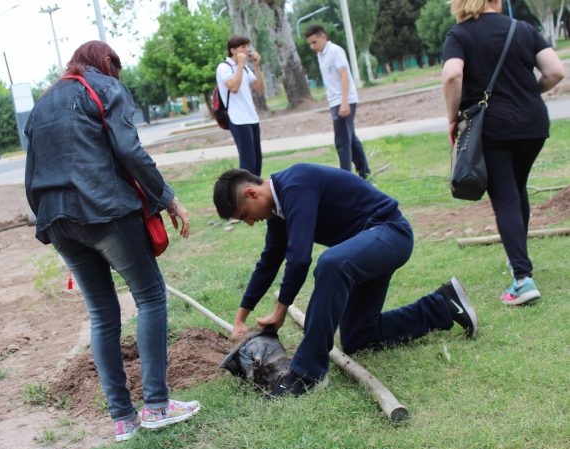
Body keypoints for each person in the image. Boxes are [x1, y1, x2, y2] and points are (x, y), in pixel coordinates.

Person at [24, 41, 200, 442]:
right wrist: (168, 197)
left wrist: (47, 222)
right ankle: (156, 406)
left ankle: (123, 420)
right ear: (107, 64)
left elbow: (32, 169)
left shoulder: (43, 103)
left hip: (57, 220)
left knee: (103, 314)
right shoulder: (104, 87)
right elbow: (129, 150)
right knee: (151, 296)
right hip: (105, 211)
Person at [213, 164, 478, 397]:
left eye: (245, 215)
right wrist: (240, 318)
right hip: (364, 248)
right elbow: (269, 262)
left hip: (389, 233)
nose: (250, 222)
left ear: (252, 194)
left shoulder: (296, 184)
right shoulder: (279, 212)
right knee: (357, 337)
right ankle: (442, 305)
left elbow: (300, 258)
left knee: (331, 264)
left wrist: (279, 312)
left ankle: (307, 374)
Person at [442, 0, 565, 305]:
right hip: (533, 124)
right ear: (496, 1)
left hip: (493, 128)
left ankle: (523, 280)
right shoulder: (521, 28)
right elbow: (556, 71)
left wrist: (452, 118)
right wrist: (526, 92)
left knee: (505, 195)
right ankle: (517, 259)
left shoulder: (459, 35)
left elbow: (452, 75)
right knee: (516, 188)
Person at [305, 25, 370, 179]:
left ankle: (345, 179)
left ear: (323, 37)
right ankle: (364, 172)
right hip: (336, 102)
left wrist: (345, 102)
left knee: (342, 142)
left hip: (344, 101)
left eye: (314, 42)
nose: (311, 46)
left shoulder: (335, 51)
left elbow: (344, 76)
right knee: (350, 138)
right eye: (310, 43)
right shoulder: (321, 54)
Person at [216, 35, 265, 176]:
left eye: (247, 46)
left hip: (252, 118)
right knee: (248, 161)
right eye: (243, 47)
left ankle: (256, 192)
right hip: (238, 119)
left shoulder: (244, 69)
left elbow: (260, 88)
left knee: (257, 160)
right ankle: (244, 194)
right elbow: (234, 87)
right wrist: (241, 65)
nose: (246, 50)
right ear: (233, 50)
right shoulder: (223, 68)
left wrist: (257, 66)